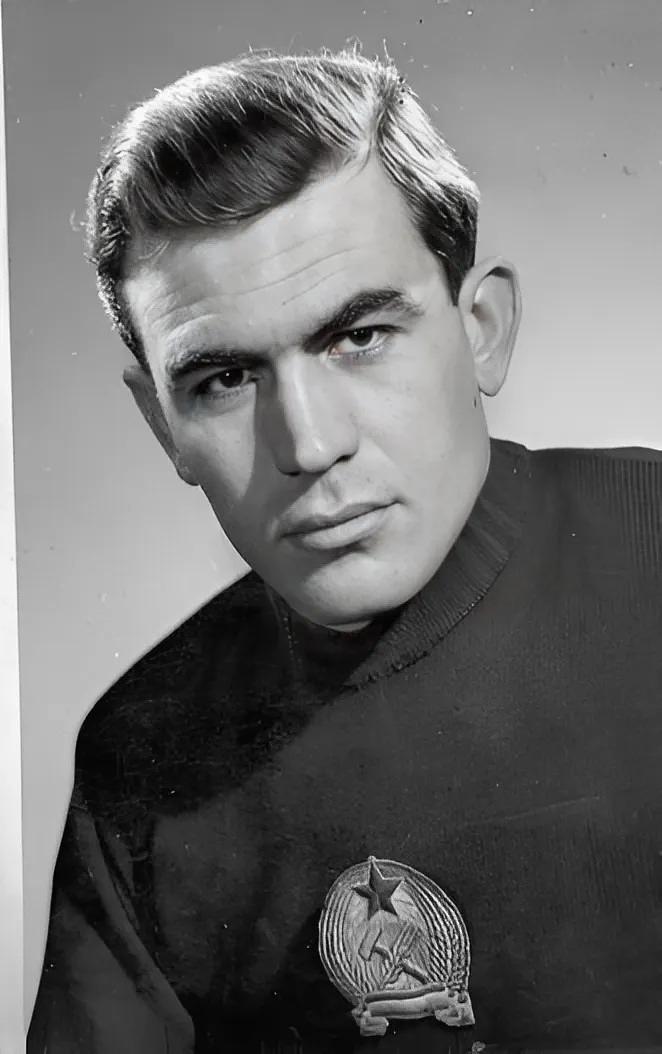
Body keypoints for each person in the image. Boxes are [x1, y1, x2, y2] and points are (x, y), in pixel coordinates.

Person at [28, 48, 662, 1054]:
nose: (310, 443)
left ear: (482, 329)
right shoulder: (141, 751)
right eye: (224, 379)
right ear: (162, 426)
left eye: (358, 335)